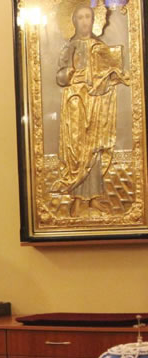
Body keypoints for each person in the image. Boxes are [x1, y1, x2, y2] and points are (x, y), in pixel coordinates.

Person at [53, 5, 129, 216]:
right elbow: (60, 77)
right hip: (76, 102)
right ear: (74, 22)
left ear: (93, 20)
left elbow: (110, 72)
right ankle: (78, 198)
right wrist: (69, 74)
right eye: (80, 17)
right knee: (77, 147)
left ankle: (94, 197)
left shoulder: (99, 47)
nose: (85, 21)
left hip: (96, 102)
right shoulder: (70, 47)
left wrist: (111, 75)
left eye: (88, 16)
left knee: (93, 148)